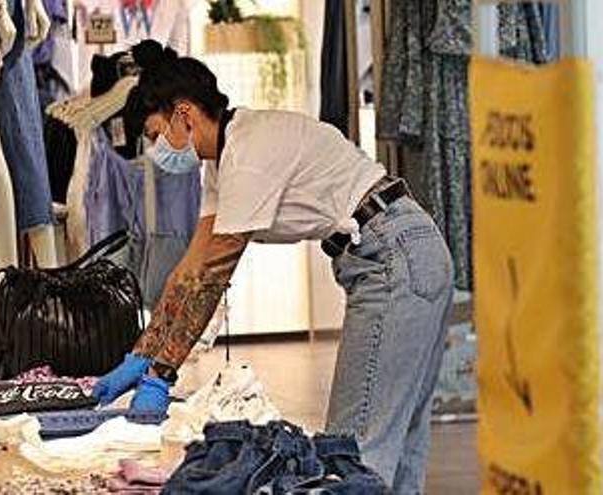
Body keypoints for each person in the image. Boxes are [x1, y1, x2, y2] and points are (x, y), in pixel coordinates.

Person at [91, 40, 454, 493]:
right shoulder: (222, 163)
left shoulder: (248, 153)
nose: (155, 149)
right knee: (396, 449)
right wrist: (141, 354)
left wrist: (162, 374)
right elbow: (189, 269)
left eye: (154, 134)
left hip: (394, 257)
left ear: (184, 114)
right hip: (404, 250)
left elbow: (213, 275)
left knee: (353, 450)